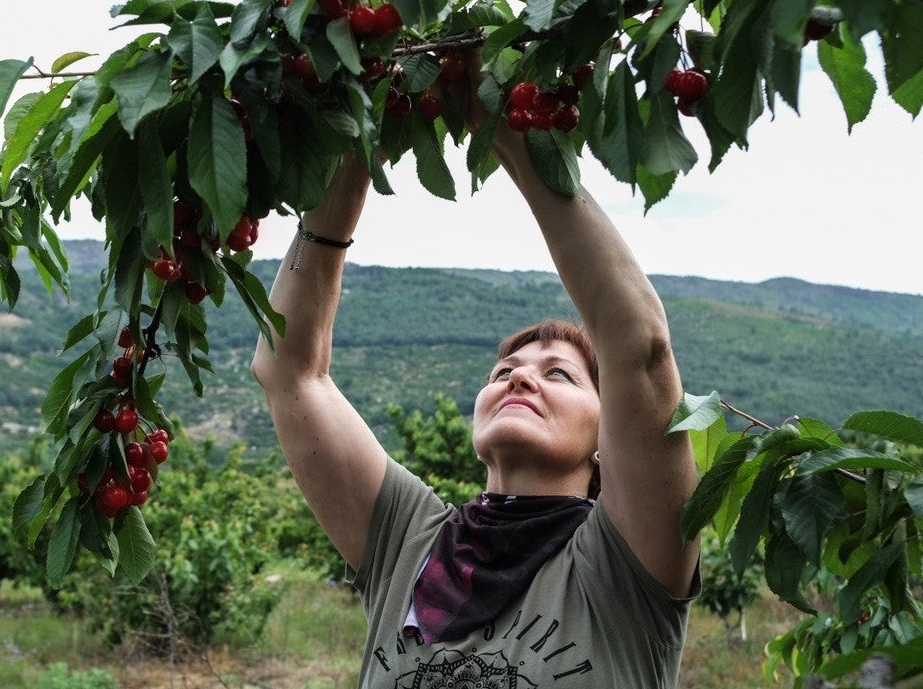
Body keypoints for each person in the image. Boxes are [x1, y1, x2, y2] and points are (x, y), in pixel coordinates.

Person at [250, 59, 701, 688]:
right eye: (505, 370)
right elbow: (289, 370)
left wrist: (502, 118)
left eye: (560, 376)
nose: (520, 379)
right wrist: (359, 138)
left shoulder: (624, 564)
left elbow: (640, 347)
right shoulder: (408, 541)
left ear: (610, 438)